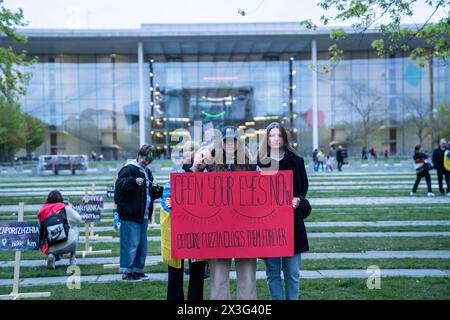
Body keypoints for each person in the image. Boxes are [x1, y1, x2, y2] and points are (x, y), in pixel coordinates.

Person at [258, 122, 311, 300]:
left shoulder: (297, 161)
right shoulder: (258, 163)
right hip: (267, 226)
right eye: (272, 135)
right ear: (267, 138)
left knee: (292, 274)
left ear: (284, 138)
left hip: (291, 225)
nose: (275, 139)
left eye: (279, 135)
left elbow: (303, 191)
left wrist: (298, 200)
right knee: (272, 272)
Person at [208, 126, 257, 300]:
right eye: (226, 140)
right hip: (219, 227)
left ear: (238, 142)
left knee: (247, 275)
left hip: (245, 226)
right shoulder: (211, 163)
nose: (230, 143)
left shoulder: (249, 163)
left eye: (233, 140)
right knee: (219, 276)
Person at [161, 144, 213, 300]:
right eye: (199, 155)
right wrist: (169, 203)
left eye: (206, 158)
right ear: (193, 156)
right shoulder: (178, 175)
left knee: (197, 272)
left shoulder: (211, 179)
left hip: (199, 232)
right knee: (175, 272)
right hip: (178, 229)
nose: (201, 160)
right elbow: (166, 198)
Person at [114, 144, 163, 281]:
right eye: (144, 158)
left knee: (142, 244)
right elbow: (119, 187)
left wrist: (156, 191)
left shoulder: (147, 172)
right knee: (130, 243)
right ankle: (127, 271)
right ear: (139, 154)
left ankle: (137, 269)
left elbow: (147, 193)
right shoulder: (128, 168)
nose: (146, 161)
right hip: (130, 213)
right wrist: (133, 181)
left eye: (149, 160)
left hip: (144, 214)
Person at [37, 190, 83, 269]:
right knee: (75, 229)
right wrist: (70, 208)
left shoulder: (42, 211)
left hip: (49, 248)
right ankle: (72, 260)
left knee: (53, 236)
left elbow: (40, 230)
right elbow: (79, 219)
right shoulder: (64, 208)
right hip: (68, 244)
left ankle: (53, 257)